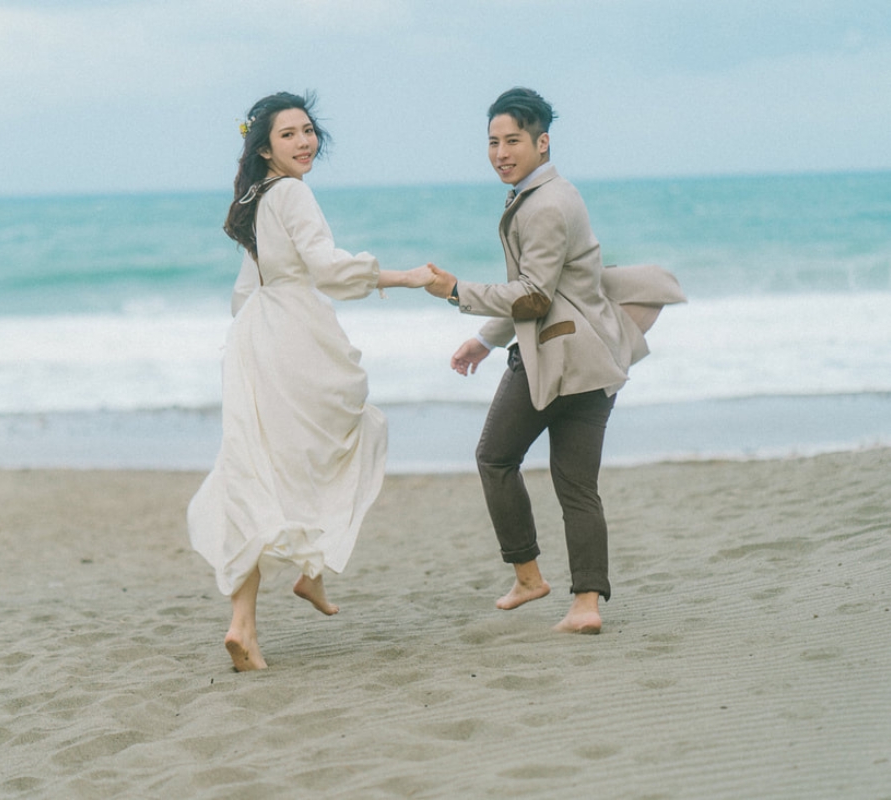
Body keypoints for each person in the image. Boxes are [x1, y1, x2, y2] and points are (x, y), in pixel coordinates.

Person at [187, 91, 435, 671]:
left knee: (257, 472)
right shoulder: (293, 193)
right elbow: (326, 269)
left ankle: (246, 622)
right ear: (265, 149)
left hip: (257, 337)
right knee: (352, 437)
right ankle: (311, 572)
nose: (303, 142)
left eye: (307, 130)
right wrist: (405, 277)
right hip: (295, 333)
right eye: (287, 135)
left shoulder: (258, 197)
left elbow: (246, 290)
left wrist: (251, 341)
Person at [425, 87, 685, 634]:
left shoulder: (542, 204)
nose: (500, 152)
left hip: (554, 358)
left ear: (542, 143)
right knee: (577, 487)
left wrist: (455, 291)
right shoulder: (556, 194)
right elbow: (557, 287)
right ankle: (586, 605)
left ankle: (527, 575)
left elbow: (535, 297)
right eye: (492, 142)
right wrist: (487, 339)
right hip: (594, 359)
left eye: (513, 141)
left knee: (494, 458)